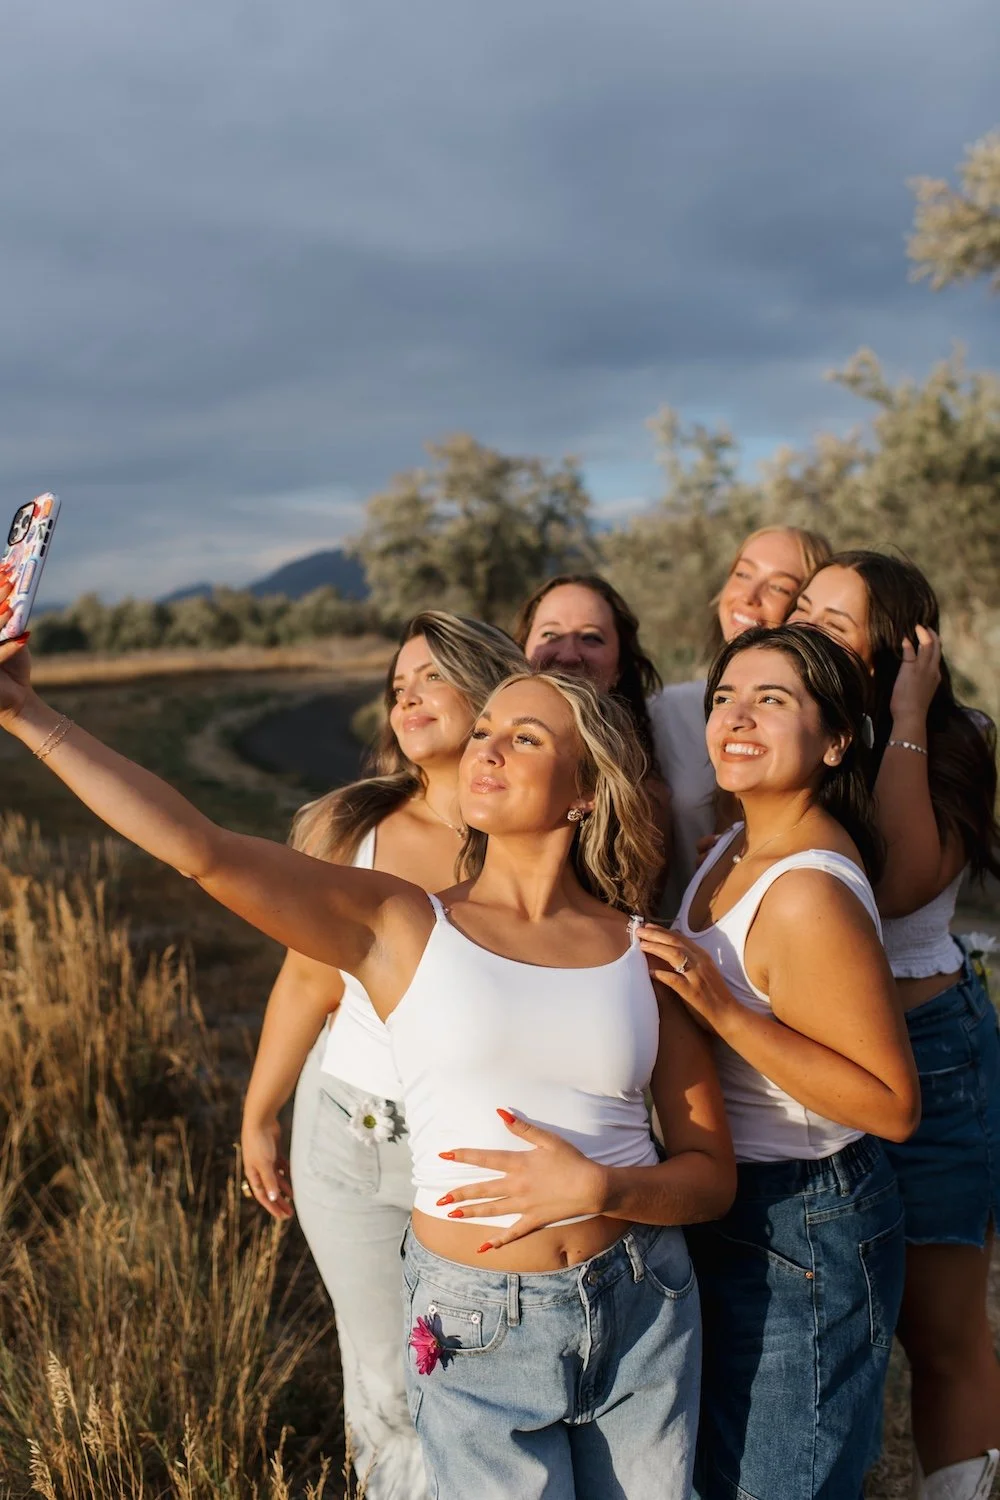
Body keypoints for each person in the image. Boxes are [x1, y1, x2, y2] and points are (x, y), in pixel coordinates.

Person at [0, 629, 735, 1500]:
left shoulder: (642, 951)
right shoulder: (402, 926)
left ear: (584, 791)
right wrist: (25, 714)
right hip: (476, 1324)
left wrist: (604, 1190)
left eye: (525, 738)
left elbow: (710, 1177)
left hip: (643, 1305)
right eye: (485, 729)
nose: (485, 749)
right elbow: (201, 851)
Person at [240, 610, 526, 1499]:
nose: (407, 695)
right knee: (385, 1384)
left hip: (483, 1155)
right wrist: (258, 1112)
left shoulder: (540, 830)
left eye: (430, 677)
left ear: (489, 692)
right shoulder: (350, 828)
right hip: (352, 1144)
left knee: (485, 1379)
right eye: (397, 684)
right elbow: (304, 983)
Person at [636, 623, 921, 1500]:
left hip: (805, 1217)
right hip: (738, 1200)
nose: (736, 719)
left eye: (773, 700)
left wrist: (719, 1008)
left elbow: (891, 1104)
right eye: (725, 698)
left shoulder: (803, 891)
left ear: (836, 739)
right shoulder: (732, 842)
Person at [792, 553, 1000, 1500]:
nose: (808, 625)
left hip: (931, 1056)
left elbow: (897, 885)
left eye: (839, 621)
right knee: (827, 1324)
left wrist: (908, 718)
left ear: (902, 646)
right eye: (806, 607)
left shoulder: (957, 738)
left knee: (942, 1330)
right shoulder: (790, 729)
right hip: (807, 1062)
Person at [647, 526, 831, 916]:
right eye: (742, 574)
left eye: (779, 587)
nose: (748, 597)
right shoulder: (665, 711)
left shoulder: (821, 728)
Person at [513, 573, 672, 894]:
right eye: (551, 634)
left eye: (591, 638)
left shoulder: (644, 800)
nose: (569, 655)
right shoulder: (477, 756)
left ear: (620, 668)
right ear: (521, 651)